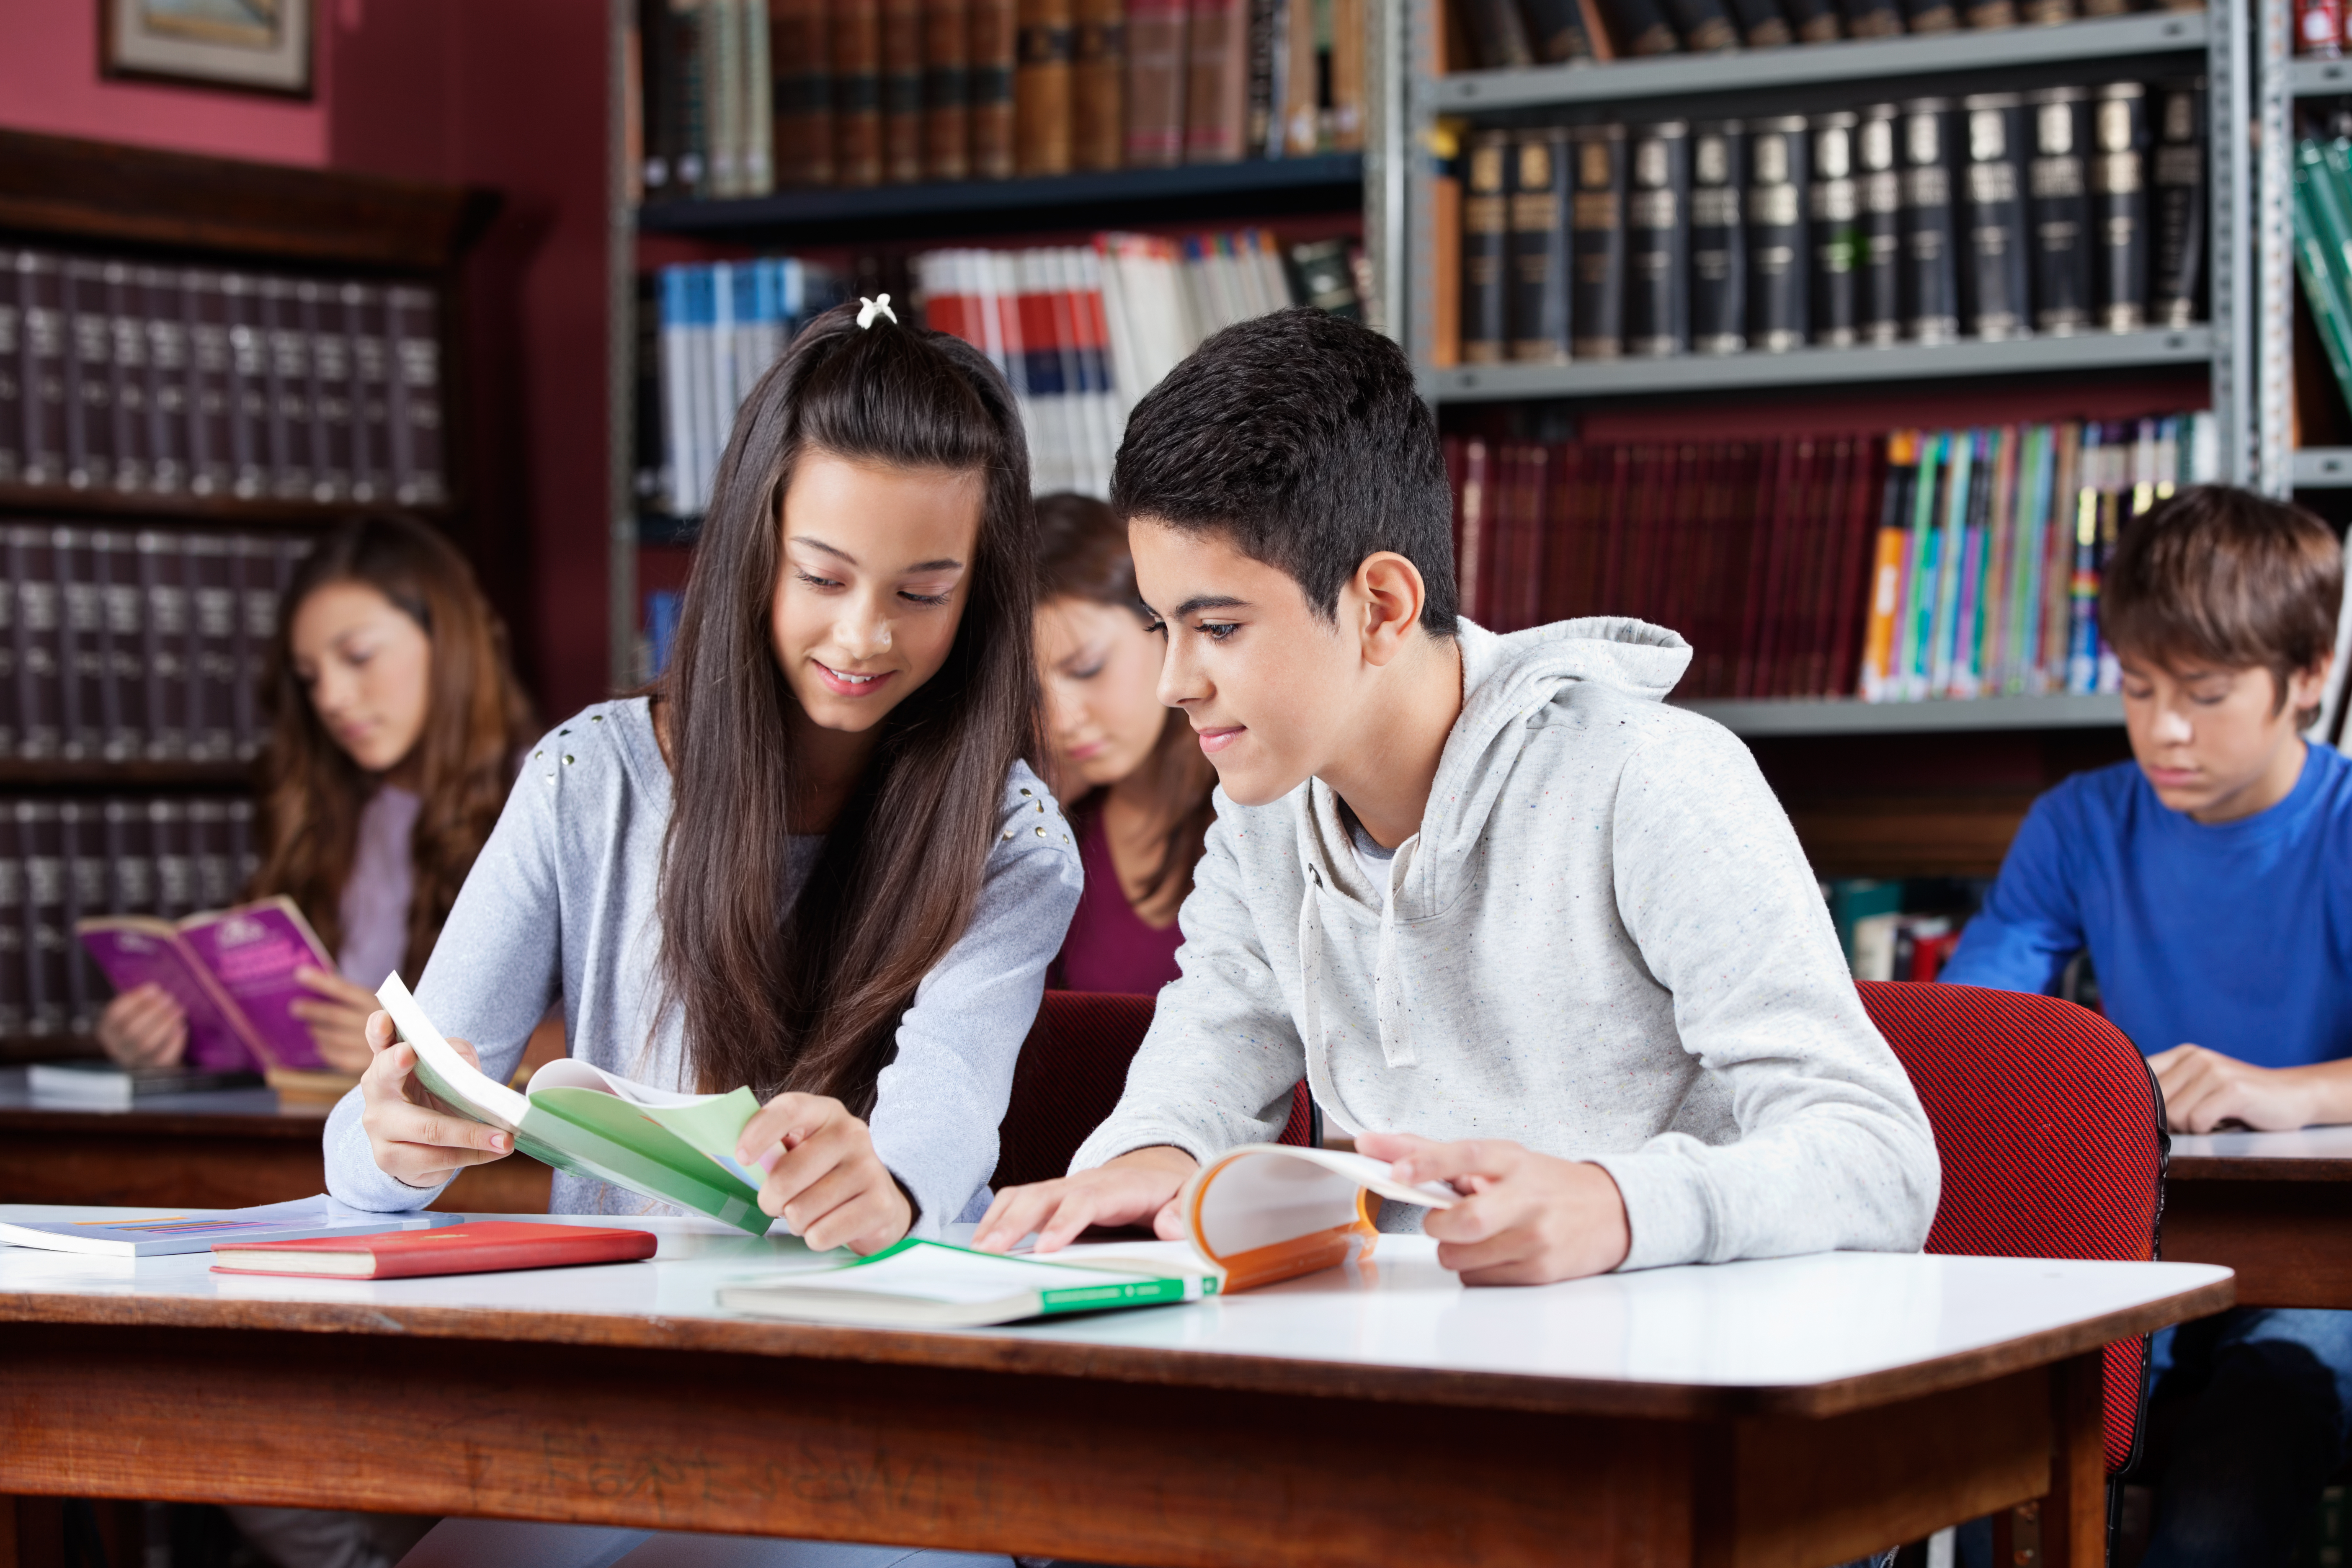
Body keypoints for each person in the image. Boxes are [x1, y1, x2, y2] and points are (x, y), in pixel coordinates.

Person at [328, 301, 1081, 1568]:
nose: (864, 637)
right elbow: (370, 1138)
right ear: (752, 552)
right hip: (613, 1402)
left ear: (982, 594)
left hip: (881, 1408)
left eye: (924, 593)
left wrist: (881, 1184)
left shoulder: (1012, 842)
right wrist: (394, 1140)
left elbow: (945, 1117)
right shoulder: (590, 780)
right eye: (824, 577)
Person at [972, 307, 1938, 1290]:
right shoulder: (1262, 813)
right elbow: (1208, 1059)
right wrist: (1144, 1159)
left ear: (1382, 605)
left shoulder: (1653, 780)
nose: (1175, 679)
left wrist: (1614, 1203)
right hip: (1418, 1360)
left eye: (1217, 626)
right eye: (1159, 624)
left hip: (1664, 1366)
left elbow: (1879, 1157)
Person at [1938, 485, 2352, 1568]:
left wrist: (2290, 1089)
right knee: (2004, 1490)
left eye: (2206, 696)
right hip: (2128, 1248)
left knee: (2221, 1516)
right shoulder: (2079, 823)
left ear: (2307, 678)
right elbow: (1972, 1036)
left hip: (2317, 1277)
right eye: (2138, 687)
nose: (2164, 729)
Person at [96, 514, 536, 1078]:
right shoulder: (333, 815)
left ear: (447, 643)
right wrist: (167, 1037)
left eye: (357, 658)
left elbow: (617, 1041)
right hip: (315, 1144)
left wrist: (420, 1055)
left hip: (480, 1159)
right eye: (309, 678)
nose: (330, 698)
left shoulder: (545, 796)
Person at [1034, 491, 1217, 993]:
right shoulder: (1052, 833)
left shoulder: (1263, 800)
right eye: (1028, 695)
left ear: (1160, 626)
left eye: (1087, 668)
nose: (1061, 720)